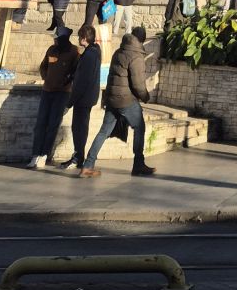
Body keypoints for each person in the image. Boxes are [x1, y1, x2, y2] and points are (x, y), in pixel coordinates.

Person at [81, 27, 154, 177]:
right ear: (142, 40)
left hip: (112, 98)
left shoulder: (119, 51)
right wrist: (145, 96)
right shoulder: (136, 56)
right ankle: (138, 164)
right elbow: (138, 84)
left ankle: (87, 165)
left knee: (103, 132)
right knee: (139, 127)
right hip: (126, 100)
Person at [27, 27, 77, 169]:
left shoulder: (73, 52)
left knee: (53, 125)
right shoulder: (51, 50)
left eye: (56, 38)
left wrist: (67, 81)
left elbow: (76, 70)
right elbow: (43, 67)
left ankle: (44, 155)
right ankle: (35, 154)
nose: (54, 40)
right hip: (47, 91)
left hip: (62, 93)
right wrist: (46, 78)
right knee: (40, 124)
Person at [63, 24, 102, 172]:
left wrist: (70, 103)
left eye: (80, 36)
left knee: (79, 127)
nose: (78, 39)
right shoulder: (93, 52)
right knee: (80, 127)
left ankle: (79, 156)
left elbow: (82, 81)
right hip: (88, 97)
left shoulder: (90, 55)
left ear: (84, 38)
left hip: (83, 98)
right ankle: (78, 155)